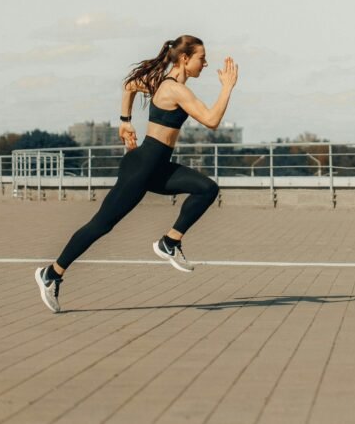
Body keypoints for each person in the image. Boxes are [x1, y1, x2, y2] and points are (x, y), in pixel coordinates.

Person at [34, 35, 238, 313]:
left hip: (157, 167)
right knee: (101, 226)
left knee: (207, 188)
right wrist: (227, 88)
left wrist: (125, 121)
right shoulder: (174, 89)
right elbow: (212, 120)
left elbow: (129, 85)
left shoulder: (163, 83)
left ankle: (170, 241)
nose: (205, 63)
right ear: (184, 58)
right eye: (202, 58)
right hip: (141, 168)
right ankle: (52, 273)